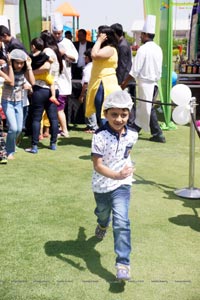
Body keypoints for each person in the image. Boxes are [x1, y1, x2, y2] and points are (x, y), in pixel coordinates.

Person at [91, 90, 138, 281]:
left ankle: (123, 263)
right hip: (102, 185)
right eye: (114, 114)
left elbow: (126, 153)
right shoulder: (99, 136)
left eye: (124, 114)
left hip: (123, 185)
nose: (119, 119)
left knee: (122, 221)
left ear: (129, 114)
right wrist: (116, 174)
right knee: (103, 212)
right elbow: (98, 165)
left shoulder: (133, 134)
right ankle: (102, 223)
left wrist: (125, 171)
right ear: (105, 114)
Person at [121, 15, 166, 143]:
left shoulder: (143, 49)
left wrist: (124, 83)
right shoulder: (158, 49)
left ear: (146, 34)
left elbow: (134, 70)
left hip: (145, 83)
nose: (140, 36)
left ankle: (157, 133)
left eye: (141, 34)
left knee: (146, 108)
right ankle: (136, 128)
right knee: (144, 108)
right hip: (154, 83)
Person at [25, 31, 63, 153]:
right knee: (53, 118)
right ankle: (53, 143)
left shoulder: (45, 52)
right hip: (52, 87)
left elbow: (45, 67)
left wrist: (30, 72)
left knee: (36, 118)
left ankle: (34, 145)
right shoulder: (54, 52)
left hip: (41, 88)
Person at [1, 49, 35, 160]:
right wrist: (10, 65)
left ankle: (9, 146)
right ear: (12, 61)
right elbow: (11, 81)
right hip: (7, 101)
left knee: (19, 129)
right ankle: (8, 150)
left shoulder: (23, 70)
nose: (19, 65)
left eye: (22, 63)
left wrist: (29, 66)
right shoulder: (5, 68)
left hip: (19, 101)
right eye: (17, 62)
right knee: (13, 128)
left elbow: (33, 82)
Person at [85, 25, 121, 127]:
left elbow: (94, 55)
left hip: (105, 83)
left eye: (99, 35)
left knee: (103, 111)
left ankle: (107, 135)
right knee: (99, 110)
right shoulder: (106, 48)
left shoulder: (110, 49)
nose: (97, 37)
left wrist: (99, 41)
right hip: (99, 82)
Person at [52, 20, 78, 137]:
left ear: (62, 32)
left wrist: (64, 54)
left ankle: (64, 130)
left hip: (63, 79)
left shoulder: (68, 43)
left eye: (59, 33)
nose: (57, 35)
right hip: (52, 78)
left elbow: (75, 58)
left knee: (59, 106)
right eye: (55, 33)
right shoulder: (50, 42)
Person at [30, 37, 59, 106]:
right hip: (44, 75)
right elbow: (51, 60)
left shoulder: (30, 56)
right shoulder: (43, 55)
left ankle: (30, 91)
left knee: (31, 83)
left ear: (33, 46)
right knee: (52, 83)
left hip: (35, 76)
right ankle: (53, 96)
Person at [78, 48, 98, 133]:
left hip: (89, 89)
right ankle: (90, 125)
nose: (84, 58)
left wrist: (81, 95)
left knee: (89, 107)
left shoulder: (88, 68)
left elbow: (86, 83)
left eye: (85, 57)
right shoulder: (96, 66)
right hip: (95, 88)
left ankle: (93, 126)